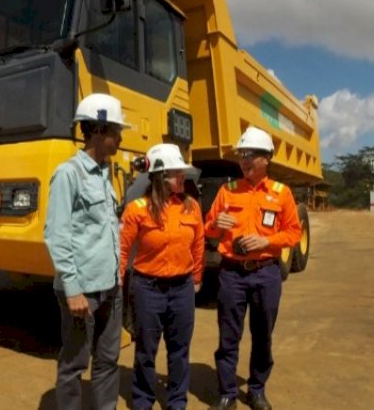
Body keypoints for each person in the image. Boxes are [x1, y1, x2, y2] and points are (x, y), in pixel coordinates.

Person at [204, 126, 302, 410]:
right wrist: (214, 225)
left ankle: (257, 390)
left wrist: (266, 240)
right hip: (231, 273)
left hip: (266, 272)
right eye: (242, 155)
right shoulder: (227, 190)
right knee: (228, 335)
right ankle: (227, 393)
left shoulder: (281, 194)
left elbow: (293, 233)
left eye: (251, 155)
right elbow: (208, 229)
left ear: (266, 159)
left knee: (262, 335)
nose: (244, 161)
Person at [44, 93, 129, 410]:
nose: (120, 138)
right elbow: (56, 235)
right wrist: (73, 288)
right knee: (74, 364)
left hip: (109, 287)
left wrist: (118, 277)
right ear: (98, 130)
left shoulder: (106, 174)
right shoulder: (69, 174)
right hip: (83, 292)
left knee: (108, 360)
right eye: (116, 131)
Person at [120, 143, 205, 410]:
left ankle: (176, 401)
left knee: (179, 351)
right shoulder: (137, 209)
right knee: (146, 350)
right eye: (177, 173)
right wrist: (117, 280)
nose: (183, 177)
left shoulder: (191, 207)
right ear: (160, 177)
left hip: (182, 288)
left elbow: (198, 243)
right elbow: (122, 249)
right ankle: (143, 400)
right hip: (147, 288)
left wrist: (197, 277)